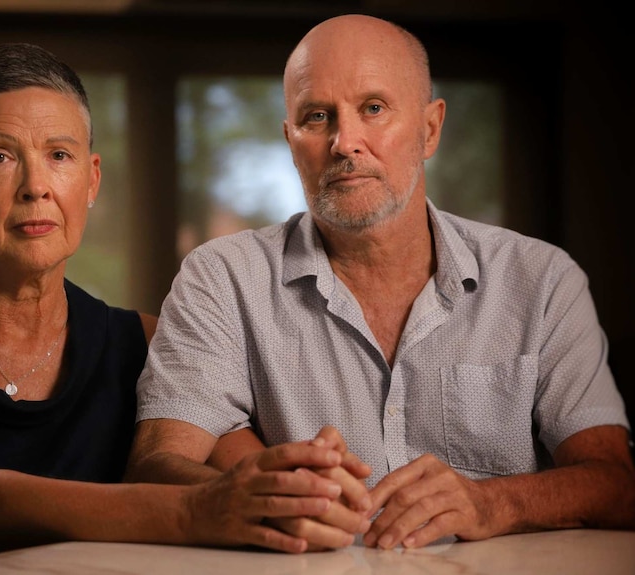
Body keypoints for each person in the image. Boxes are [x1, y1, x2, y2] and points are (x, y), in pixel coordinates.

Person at [0, 43, 363, 573]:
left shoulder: (150, 343)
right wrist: (191, 513)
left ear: (90, 180)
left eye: (59, 155)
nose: (36, 186)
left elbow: (242, 473)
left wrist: (303, 482)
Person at [126, 13, 635, 552]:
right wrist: (260, 497)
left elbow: (616, 484)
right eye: (316, 116)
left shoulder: (542, 280)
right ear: (290, 139)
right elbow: (155, 467)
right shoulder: (222, 277)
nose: (346, 142)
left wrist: (493, 502)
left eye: (373, 108)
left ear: (430, 129)